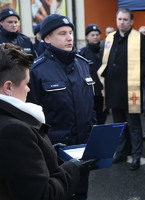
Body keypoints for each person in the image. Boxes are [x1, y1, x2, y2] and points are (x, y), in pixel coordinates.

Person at [0, 43, 96, 200]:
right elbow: (42, 194)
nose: (28, 89)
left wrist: (47, 151)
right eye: (25, 84)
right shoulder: (14, 131)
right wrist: (73, 169)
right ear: (8, 87)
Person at [27, 14, 95, 200]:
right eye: (62, 33)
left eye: (71, 33)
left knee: (81, 193)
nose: (69, 38)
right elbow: (31, 118)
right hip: (55, 154)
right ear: (47, 38)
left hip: (83, 148)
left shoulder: (82, 64)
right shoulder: (36, 71)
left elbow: (91, 106)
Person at [97, 8, 145, 170]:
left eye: (125, 19)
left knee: (133, 125)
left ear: (131, 21)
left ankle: (136, 156)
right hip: (113, 89)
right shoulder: (110, 38)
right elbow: (105, 62)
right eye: (119, 19)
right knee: (118, 124)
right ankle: (121, 152)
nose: (122, 22)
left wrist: (135, 79)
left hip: (130, 90)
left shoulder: (139, 38)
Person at [79, 24, 107, 124]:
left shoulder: (104, 52)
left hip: (102, 91)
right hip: (89, 91)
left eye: (97, 34)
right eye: (92, 35)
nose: (95, 37)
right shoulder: (82, 53)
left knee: (102, 117)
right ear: (87, 37)